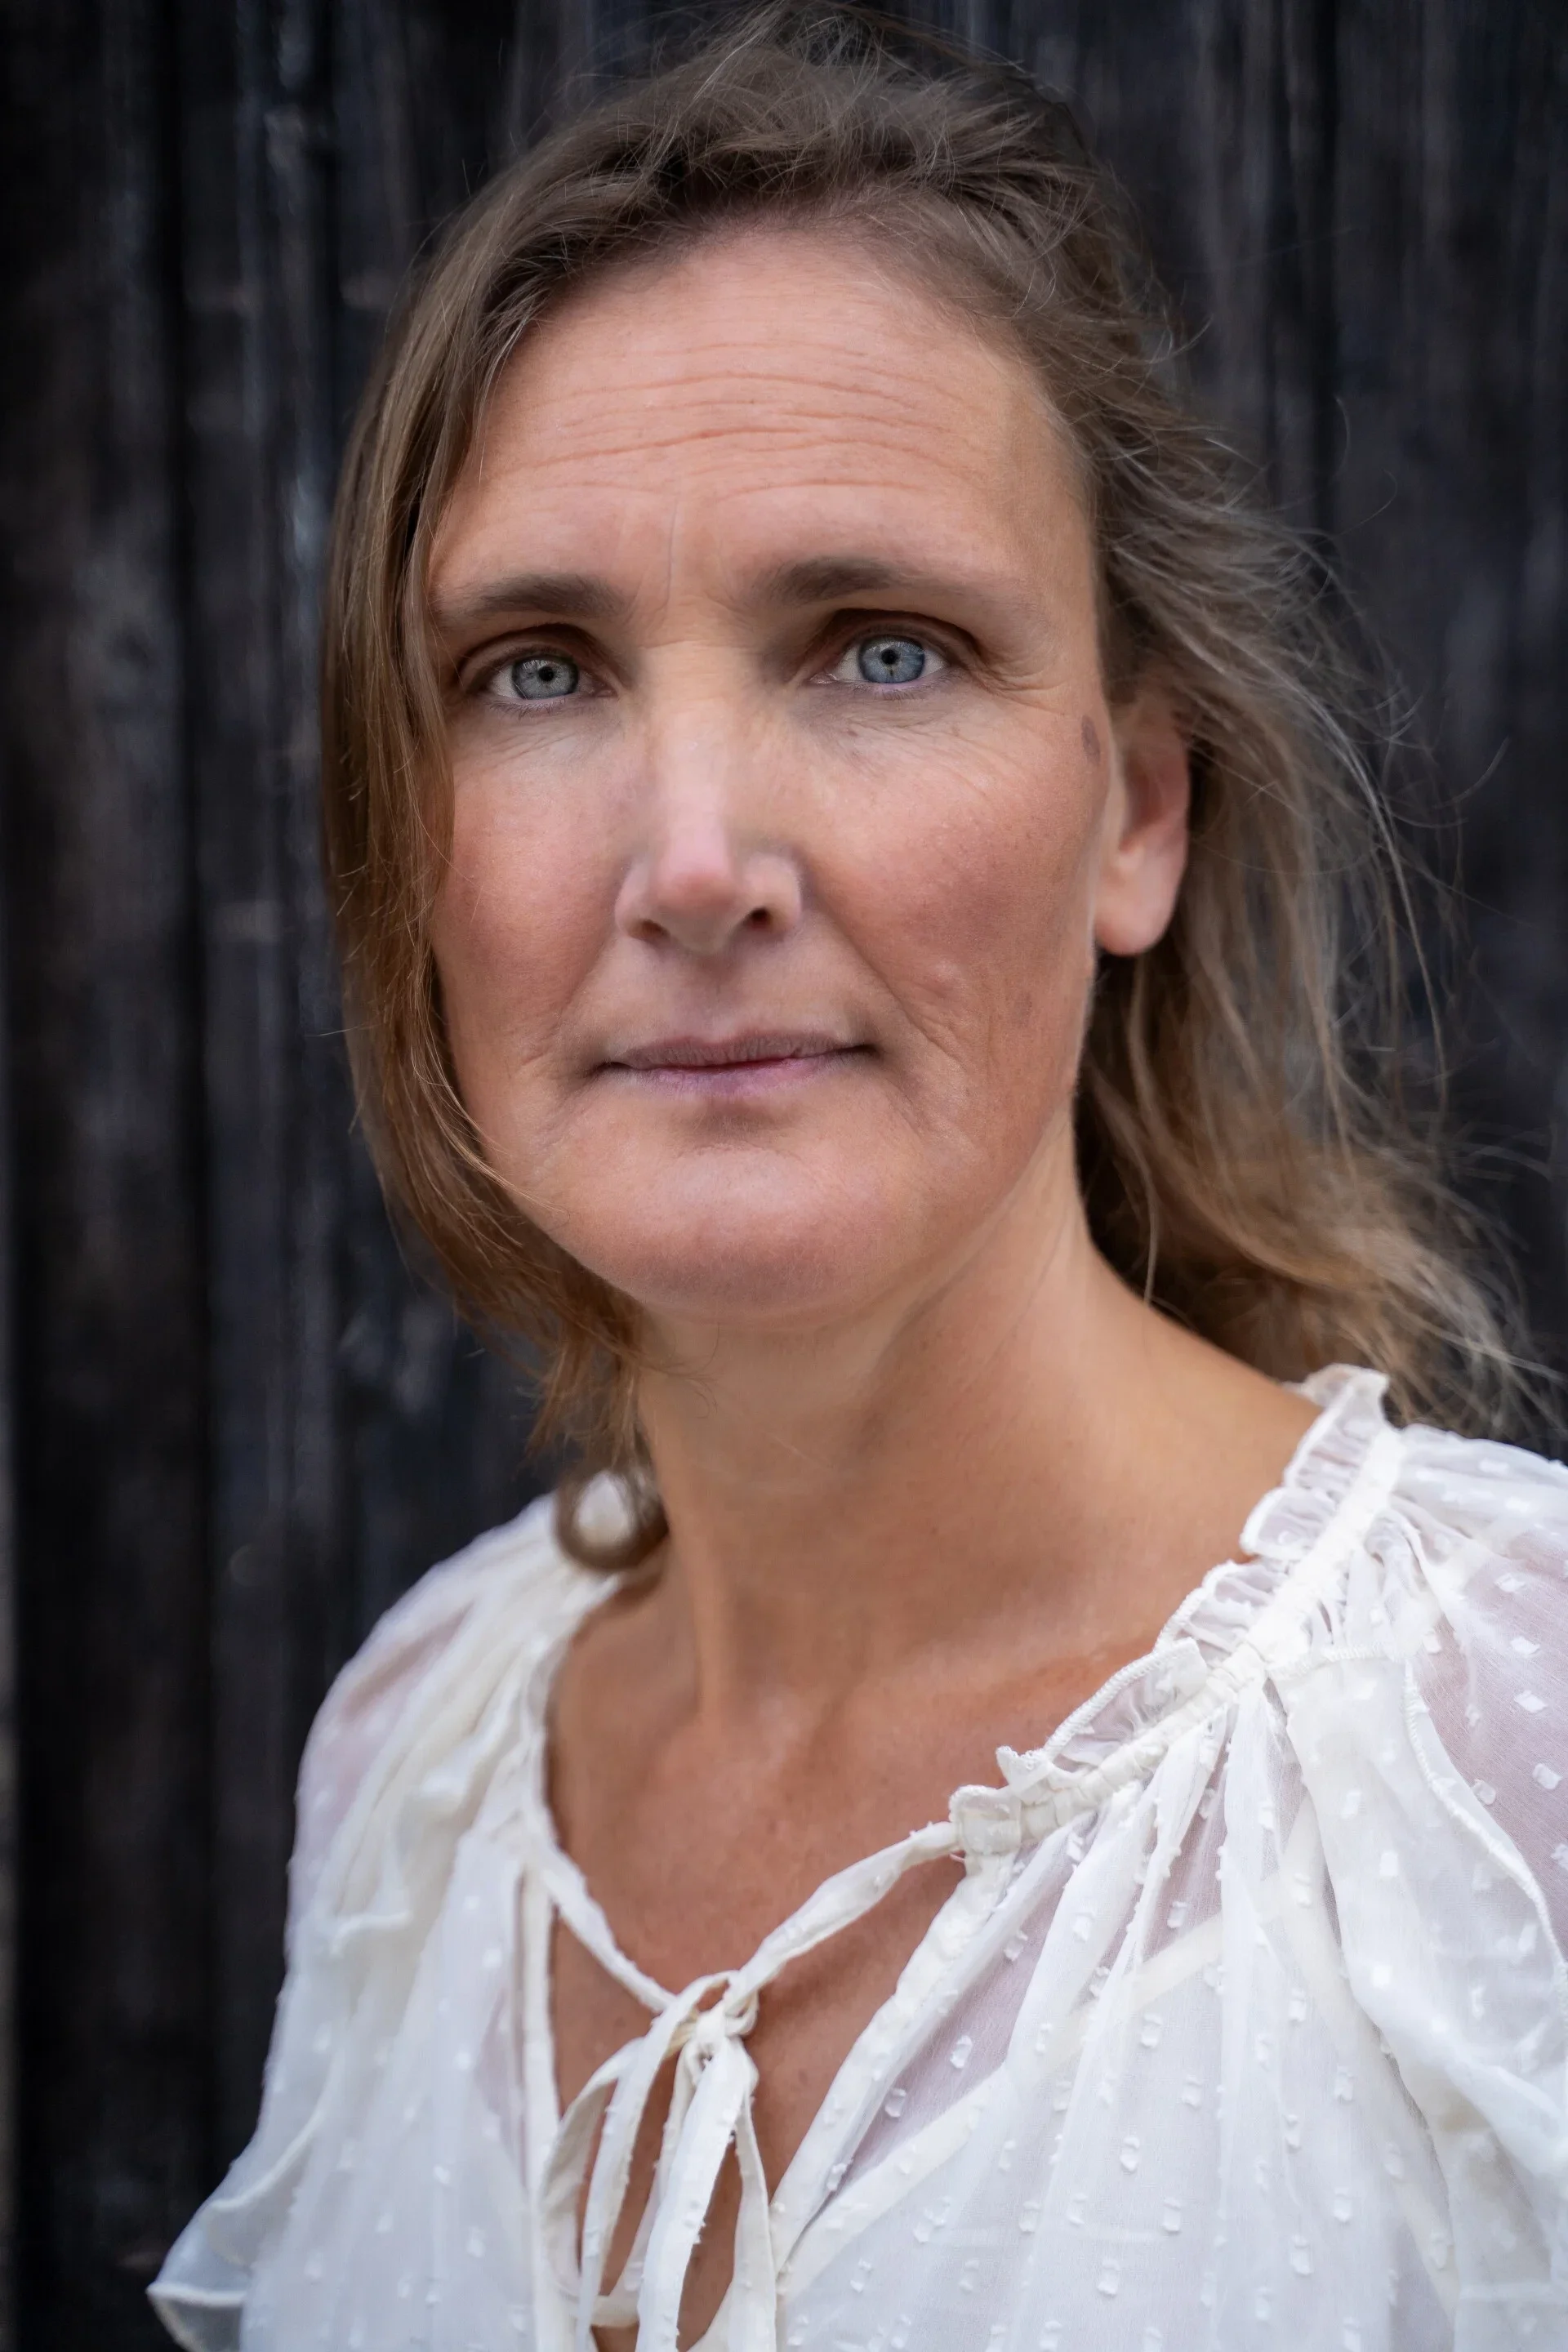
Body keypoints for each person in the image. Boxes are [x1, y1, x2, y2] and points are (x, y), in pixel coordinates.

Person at [151, 9, 1568, 2348]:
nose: (697, 861)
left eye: (882, 651)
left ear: (1136, 813)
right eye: (538, 671)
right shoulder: (412, 1762)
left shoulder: (1508, 1754)